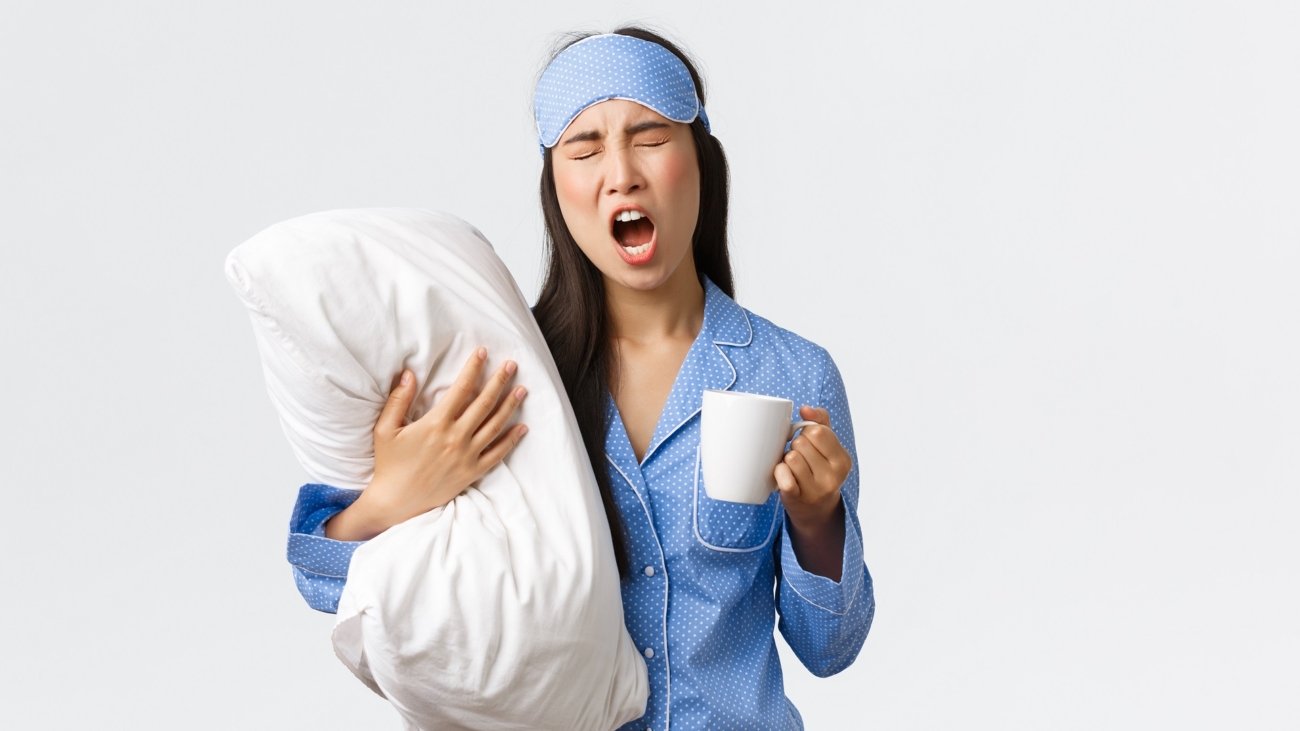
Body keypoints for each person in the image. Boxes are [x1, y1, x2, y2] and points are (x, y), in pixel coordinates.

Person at [287, 27, 874, 731]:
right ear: (556, 185)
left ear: (700, 159)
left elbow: (831, 648)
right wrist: (390, 499)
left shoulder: (792, 373)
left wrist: (818, 521)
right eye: (585, 147)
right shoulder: (503, 374)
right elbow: (324, 583)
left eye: (650, 136)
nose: (621, 172)